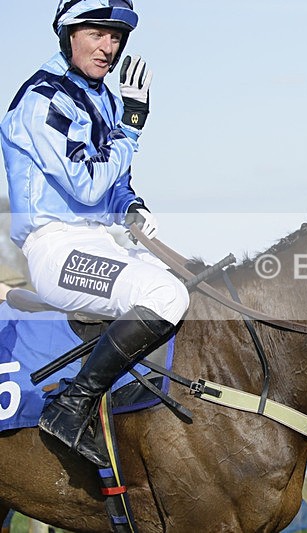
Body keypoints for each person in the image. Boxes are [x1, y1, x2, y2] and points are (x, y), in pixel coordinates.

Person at [0, 0, 189, 468]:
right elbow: (85, 181)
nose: (109, 48)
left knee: (192, 290)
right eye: (97, 34)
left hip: (100, 241)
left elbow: (111, 183)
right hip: (56, 250)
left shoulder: (102, 95)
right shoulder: (43, 99)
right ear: (68, 33)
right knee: (165, 296)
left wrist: (130, 204)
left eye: (117, 37)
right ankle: (69, 407)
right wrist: (131, 129)